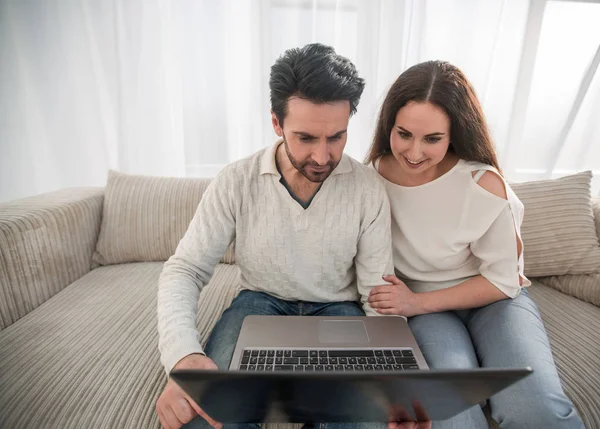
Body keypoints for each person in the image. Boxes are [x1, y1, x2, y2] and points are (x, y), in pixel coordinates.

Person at [155, 43, 429, 429]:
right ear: (276, 123)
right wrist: (183, 357)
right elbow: (185, 269)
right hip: (259, 305)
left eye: (337, 137)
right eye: (305, 138)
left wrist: (392, 380)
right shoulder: (236, 180)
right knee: (206, 417)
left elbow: (375, 293)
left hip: (339, 312)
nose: (322, 157)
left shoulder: (367, 187)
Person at [366, 60, 584, 428]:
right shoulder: (370, 179)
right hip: (429, 316)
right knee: (452, 413)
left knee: (536, 409)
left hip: (494, 302)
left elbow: (503, 281)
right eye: (404, 134)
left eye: (432, 139)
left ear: (454, 133)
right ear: (389, 125)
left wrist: (417, 301)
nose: (414, 152)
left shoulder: (482, 183)